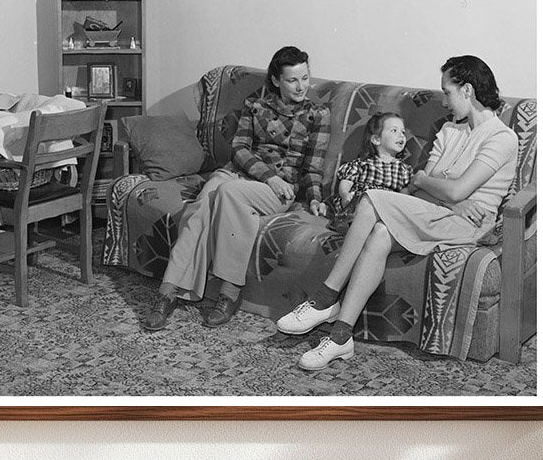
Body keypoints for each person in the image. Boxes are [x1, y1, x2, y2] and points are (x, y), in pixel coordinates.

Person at [276, 55, 519, 371]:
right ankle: (340, 337)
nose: (444, 101)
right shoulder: (449, 130)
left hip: (467, 226)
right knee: (379, 233)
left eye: (447, 92)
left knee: (373, 199)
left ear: (467, 90)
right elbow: (423, 187)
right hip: (435, 212)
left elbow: (445, 186)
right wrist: (438, 185)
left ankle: (325, 297)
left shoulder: (502, 137)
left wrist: (434, 182)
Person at [141, 45, 331, 331]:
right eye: (293, 79)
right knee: (201, 206)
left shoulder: (318, 114)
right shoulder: (256, 103)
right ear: (277, 80)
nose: (301, 86)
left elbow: (313, 168)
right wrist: (267, 175)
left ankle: (230, 293)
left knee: (228, 194)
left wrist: (314, 199)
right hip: (244, 175)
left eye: (305, 78)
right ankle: (167, 293)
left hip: (280, 189)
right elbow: (239, 148)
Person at [328, 112, 413, 233]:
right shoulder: (363, 164)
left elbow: (404, 195)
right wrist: (345, 194)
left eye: (403, 132)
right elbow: (346, 182)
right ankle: (346, 222)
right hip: (361, 202)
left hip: (385, 206)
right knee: (360, 204)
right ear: (376, 139)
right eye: (394, 130)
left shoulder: (403, 170)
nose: (401, 135)